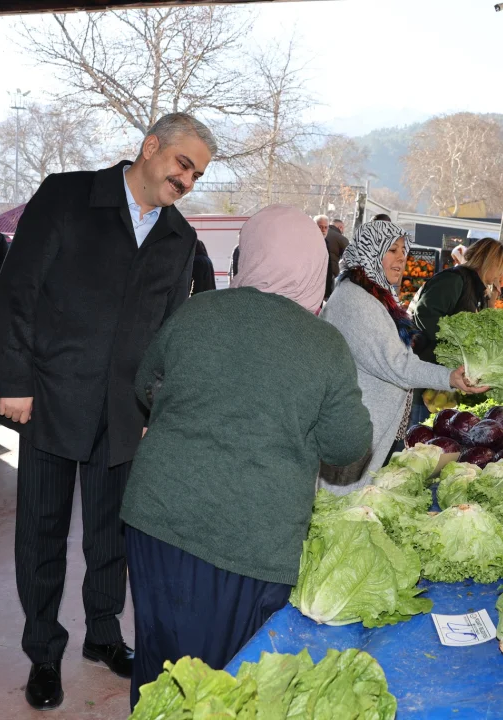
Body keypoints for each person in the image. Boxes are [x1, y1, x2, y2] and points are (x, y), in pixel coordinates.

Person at [0, 112, 216, 711]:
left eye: (197, 174)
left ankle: (103, 634)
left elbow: (169, 330)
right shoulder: (67, 196)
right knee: (41, 530)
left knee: (111, 534)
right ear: (151, 146)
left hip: (125, 411)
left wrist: (153, 405)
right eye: (183, 164)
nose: (187, 181)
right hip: (50, 397)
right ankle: (44, 652)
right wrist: (14, 380)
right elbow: (18, 288)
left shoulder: (180, 238)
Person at [121, 205, 372, 709]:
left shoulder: (198, 311)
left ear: (247, 254)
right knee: (229, 681)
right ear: (314, 268)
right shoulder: (323, 344)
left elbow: (146, 383)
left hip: (158, 517)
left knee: (161, 659)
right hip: (248, 536)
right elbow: (348, 444)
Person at [318, 221, 487, 494]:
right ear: (371, 251)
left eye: (403, 250)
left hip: (364, 424)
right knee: (340, 499)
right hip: (355, 427)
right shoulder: (355, 301)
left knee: (352, 497)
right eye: (392, 250)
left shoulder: (372, 295)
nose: (402, 258)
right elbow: (397, 365)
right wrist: (449, 377)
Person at [407, 238, 503, 425]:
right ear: (489, 263)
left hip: (443, 376)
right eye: (501, 268)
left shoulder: (476, 287)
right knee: (418, 430)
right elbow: (425, 314)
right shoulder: (454, 280)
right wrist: (458, 344)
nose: (502, 274)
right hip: (426, 370)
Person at [324, 219, 349, 300]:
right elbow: (350, 256)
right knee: (328, 299)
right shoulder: (341, 238)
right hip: (330, 273)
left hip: (315, 270)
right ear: (340, 227)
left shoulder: (319, 232)